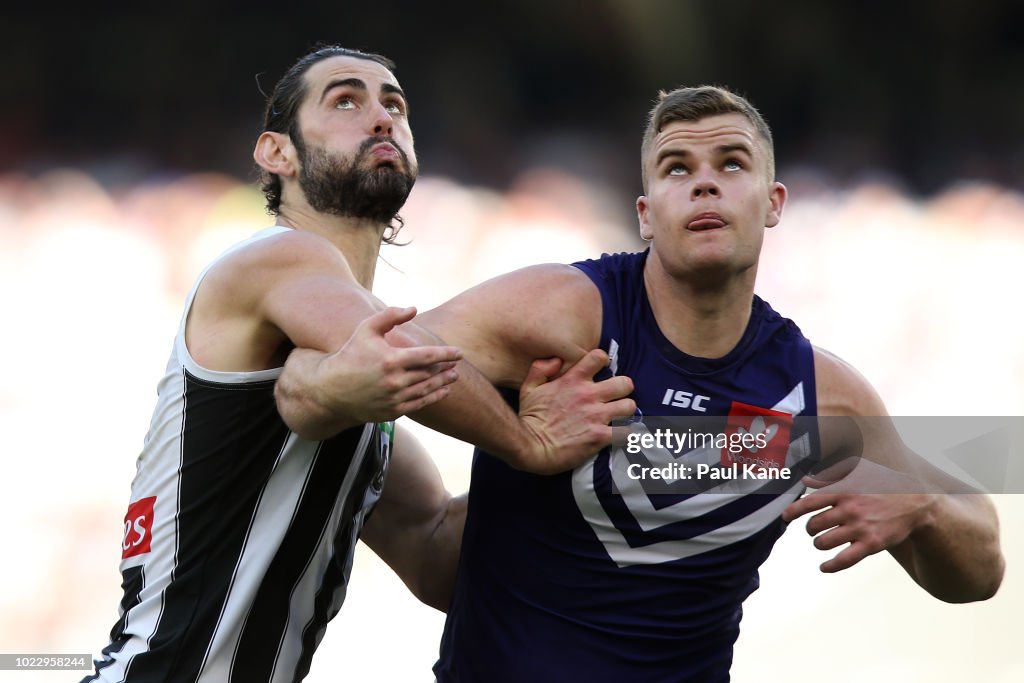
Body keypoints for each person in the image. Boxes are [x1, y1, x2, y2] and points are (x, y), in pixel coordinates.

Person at [278, 85, 1005, 682]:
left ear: (775, 202)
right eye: (677, 168)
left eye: (731, 162)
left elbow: (980, 573)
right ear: (646, 213)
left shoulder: (818, 394)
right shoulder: (562, 314)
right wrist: (520, 437)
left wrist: (928, 505)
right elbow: (342, 360)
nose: (706, 181)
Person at [82, 46, 635, 683]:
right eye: (346, 100)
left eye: (394, 104)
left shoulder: (359, 400)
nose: (381, 117)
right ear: (276, 153)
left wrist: (618, 466)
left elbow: (435, 555)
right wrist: (528, 439)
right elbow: (402, 357)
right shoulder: (276, 258)